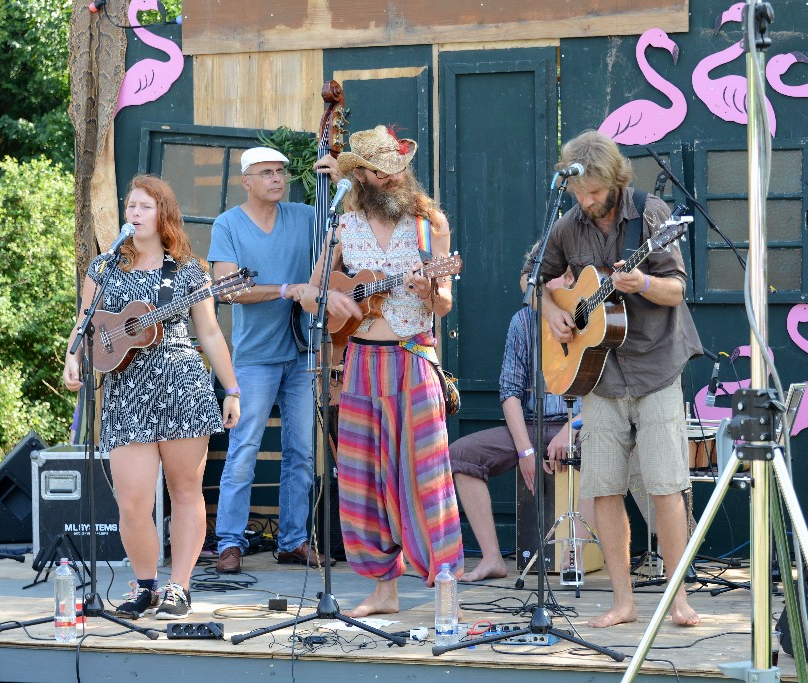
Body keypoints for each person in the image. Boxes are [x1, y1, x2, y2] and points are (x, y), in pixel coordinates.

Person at [527, 130, 703, 628]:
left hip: (655, 367)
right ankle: (622, 602)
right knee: (603, 489)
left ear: (614, 179)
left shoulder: (652, 215)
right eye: (580, 193)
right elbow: (532, 275)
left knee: (667, 486)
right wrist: (553, 308)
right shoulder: (567, 225)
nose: (588, 201)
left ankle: (679, 599)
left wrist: (641, 281)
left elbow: (675, 291)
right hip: (598, 376)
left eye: (596, 192)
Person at [63, 174, 240, 620]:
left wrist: (232, 389)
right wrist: (73, 356)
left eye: (144, 206)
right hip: (127, 390)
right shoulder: (105, 269)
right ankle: (145, 585)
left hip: (183, 384)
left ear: (163, 214)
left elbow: (211, 333)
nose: (135, 214)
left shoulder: (189, 270)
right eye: (131, 206)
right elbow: (85, 321)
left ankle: (179, 586)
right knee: (133, 501)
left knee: (185, 491)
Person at [302, 125, 464, 617]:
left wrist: (426, 290)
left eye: (396, 169)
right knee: (360, 478)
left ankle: (445, 589)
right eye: (379, 171)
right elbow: (313, 293)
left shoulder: (428, 222)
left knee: (427, 477)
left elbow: (445, 302)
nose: (391, 178)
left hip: (411, 359)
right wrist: (330, 297)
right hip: (359, 363)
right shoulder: (342, 226)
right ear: (362, 176)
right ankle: (382, 590)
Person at [208, 147, 327, 574]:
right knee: (244, 450)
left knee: (301, 452)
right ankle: (229, 542)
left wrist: (338, 172)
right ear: (247, 180)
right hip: (255, 358)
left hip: (301, 350)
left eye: (281, 172)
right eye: (267, 173)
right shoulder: (228, 225)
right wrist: (286, 289)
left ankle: (294, 540)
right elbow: (225, 288)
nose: (277, 179)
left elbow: (339, 239)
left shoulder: (305, 216)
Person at [450, 266, 588, 582]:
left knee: (611, 451)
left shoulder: (590, 318)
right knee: (461, 454)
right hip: (531, 425)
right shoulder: (523, 321)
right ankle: (492, 558)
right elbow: (509, 391)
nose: (535, 285)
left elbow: (606, 390)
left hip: (582, 425)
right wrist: (526, 451)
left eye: (548, 275)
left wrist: (572, 427)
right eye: (533, 279)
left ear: (570, 280)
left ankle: (574, 559)